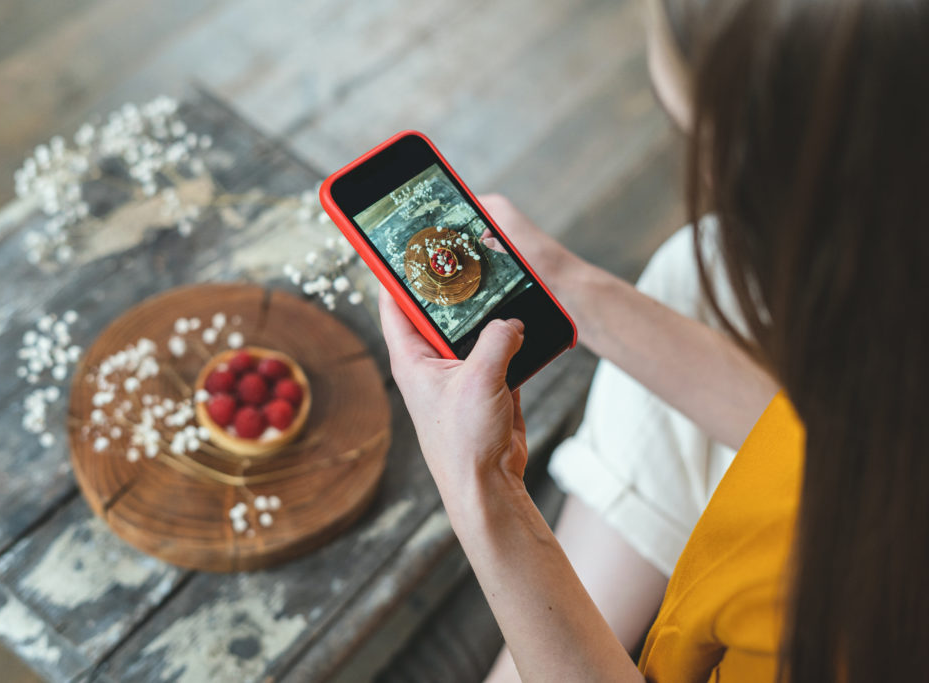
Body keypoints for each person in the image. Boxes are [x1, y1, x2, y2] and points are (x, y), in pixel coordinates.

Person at [379, 0, 929, 680]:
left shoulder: (832, 610)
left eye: (690, 134)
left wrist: (483, 492)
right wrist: (572, 287)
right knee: (700, 269)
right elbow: (804, 436)